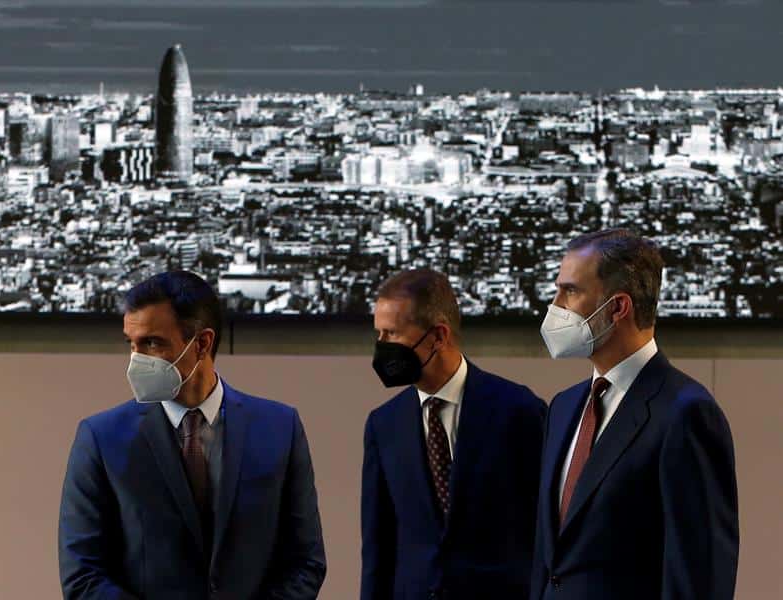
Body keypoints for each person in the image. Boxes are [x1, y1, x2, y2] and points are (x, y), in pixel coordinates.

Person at [58, 271, 326, 600]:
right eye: (132, 344)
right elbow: (82, 574)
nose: (136, 359)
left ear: (201, 343)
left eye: (152, 343)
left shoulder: (279, 428)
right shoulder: (101, 438)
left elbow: (305, 562)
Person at [532, 229, 738, 600]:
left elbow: (698, 571)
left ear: (618, 307)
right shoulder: (563, 408)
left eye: (571, 291)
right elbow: (549, 560)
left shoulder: (685, 413)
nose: (555, 304)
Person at [362, 268, 547, 600]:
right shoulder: (383, 424)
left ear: (439, 336)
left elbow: (543, 528)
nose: (381, 347)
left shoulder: (519, 410)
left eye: (392, 334)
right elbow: (379, 544)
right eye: (379, 334)